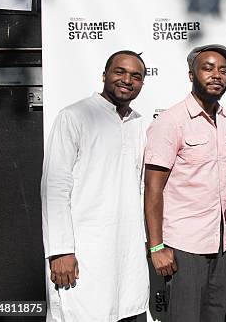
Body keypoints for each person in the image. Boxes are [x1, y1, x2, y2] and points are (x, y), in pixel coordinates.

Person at [41, 50, 150, 322]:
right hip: (83, 252)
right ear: (104, 75)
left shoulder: (138, 123)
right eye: (119, 72)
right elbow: (55, 187)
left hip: (126, 255)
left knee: (125, 310)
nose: (127, 80)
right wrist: (61, 250)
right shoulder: (74, 116)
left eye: (136, 76)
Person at [144, 44, 226, 322]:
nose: (216, 75)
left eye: (223, 70)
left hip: (222, 246)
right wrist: (157, 247)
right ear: (191, 75)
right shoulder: (171, 121)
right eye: (208, 68)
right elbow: (152, 189)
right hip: (184, 247)